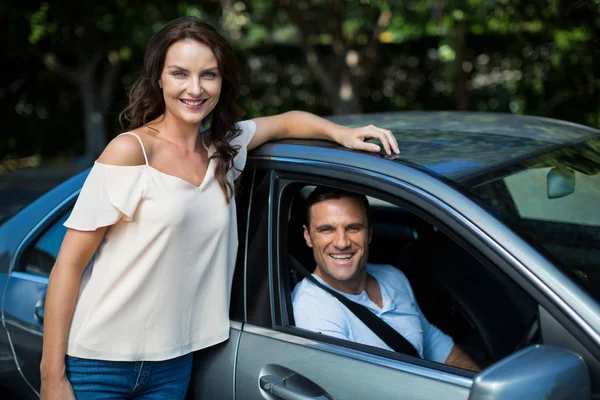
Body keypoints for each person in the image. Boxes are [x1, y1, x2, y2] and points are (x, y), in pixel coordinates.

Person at [39, 16, 399, 400]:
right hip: (98, 363)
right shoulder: (131, 152)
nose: (195, 89)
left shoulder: (226, 151)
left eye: (208, 75)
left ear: (222, 81)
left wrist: (342, 133)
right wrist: (51, 378)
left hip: (173, 365)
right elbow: (69, 266)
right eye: (180, 73)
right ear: (158, 79)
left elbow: (288, 122)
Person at [292, 186, 480, 371]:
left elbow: (434, 344)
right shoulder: (314, 312)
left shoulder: (392, 277)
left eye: (353, 228)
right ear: (308, 236)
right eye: (327, 229)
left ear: (370, 234)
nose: (342, 243)